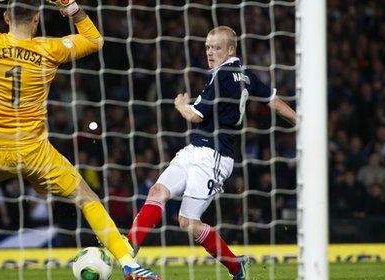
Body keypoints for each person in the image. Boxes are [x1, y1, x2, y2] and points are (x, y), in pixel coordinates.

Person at [0, 1, 161, 279]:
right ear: (37, 20)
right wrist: (71, 8)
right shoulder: (48, 49)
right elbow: (94, 40)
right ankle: (129, 263)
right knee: (85, 197)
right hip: (34, 153)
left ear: (6, 17)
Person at [126, 26, 297, 280]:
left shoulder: (222, 75)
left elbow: (195, 115)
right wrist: (301, 121)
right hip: (195, 149)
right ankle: (127, 257)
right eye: (207, 47)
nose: (209, 52)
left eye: (216, 47)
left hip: (214, 155)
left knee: (188, 222)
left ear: (230, 49)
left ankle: (237, 267)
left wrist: (181, 105)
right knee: (157, 191)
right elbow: (275, 102)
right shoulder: (246, 75)